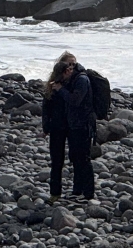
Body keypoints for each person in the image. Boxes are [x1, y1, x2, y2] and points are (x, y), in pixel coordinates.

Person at [47, 60, 96, 200]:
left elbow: (75, 100)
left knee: (84, 159)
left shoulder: (81, 80)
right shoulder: (73, 79)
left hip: (83, 124)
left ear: (68, 71)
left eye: (61, 76)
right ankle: (78, 190)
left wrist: (60, 89)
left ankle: (88, 193)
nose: (61, 80)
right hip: (74, 125)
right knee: (76, 158)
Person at [40, 62, 71, 203]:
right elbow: (46, 109)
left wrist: (46, 127)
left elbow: (45, 110)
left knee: (58, 161)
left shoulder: (68, 84)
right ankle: (55, 192)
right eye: (69, 69)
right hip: (62, 126)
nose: (71, 71)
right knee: (57, 161)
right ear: (64, 72)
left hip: (62, 126)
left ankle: (56, 193)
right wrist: (46, 128)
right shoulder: (58, 86)